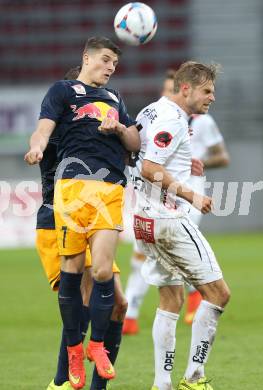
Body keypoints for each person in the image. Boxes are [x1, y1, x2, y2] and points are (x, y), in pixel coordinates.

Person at [25, 36, 140, 390]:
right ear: (86, 60)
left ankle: (91, 371)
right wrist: (37, 146)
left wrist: (118, 128)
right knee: (83, 296)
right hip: (62, 207)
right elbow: (43, 131)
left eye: (114, 65)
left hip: (106, 195)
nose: (109, 69)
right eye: (104, 61)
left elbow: (134, 145)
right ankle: (65, 378)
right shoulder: (62, 99)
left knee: (113, 300)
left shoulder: (113, 101)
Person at [130, 61, 230, 390]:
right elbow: (149, 167)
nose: (212, 97)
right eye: (207, 90)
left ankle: (163, 383)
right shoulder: (173, 120)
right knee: (218, 294)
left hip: (144, 220)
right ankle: (195, 377)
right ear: (186, 88)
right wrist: (191, 195)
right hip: (168, 219)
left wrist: (187, 162)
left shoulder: (151, 110)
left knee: (170, 299)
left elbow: (135, 148)